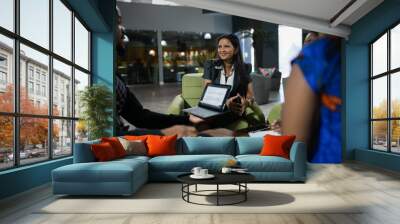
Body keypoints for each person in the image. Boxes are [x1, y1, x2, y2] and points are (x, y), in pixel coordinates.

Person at [115, 6, 232, 138]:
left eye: (227, 46)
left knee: (208, 131)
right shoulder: (107, 80)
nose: (123, 31)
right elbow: (136, 121)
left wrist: (187, 120)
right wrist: (173, 130)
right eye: (119, 23)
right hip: (119, 142)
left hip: (122, 138)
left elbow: (140, 117)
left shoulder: (114, 78)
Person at [282, 34, 341, 163]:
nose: (309, 44)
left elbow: (292, 149)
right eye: (306, 42)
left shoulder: (318, 55)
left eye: (311, 41)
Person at [200, 34, 255, 127]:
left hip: (233, 110)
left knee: (209, 122)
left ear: (236, 49)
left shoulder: (245, 67)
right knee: (197, 119)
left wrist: (246, 102)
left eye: (226, 46)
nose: (222, 50)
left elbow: (250, 95)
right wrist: (225, 102)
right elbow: (207, 94)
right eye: (219, 47)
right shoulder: (210, 65)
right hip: (213, 108)